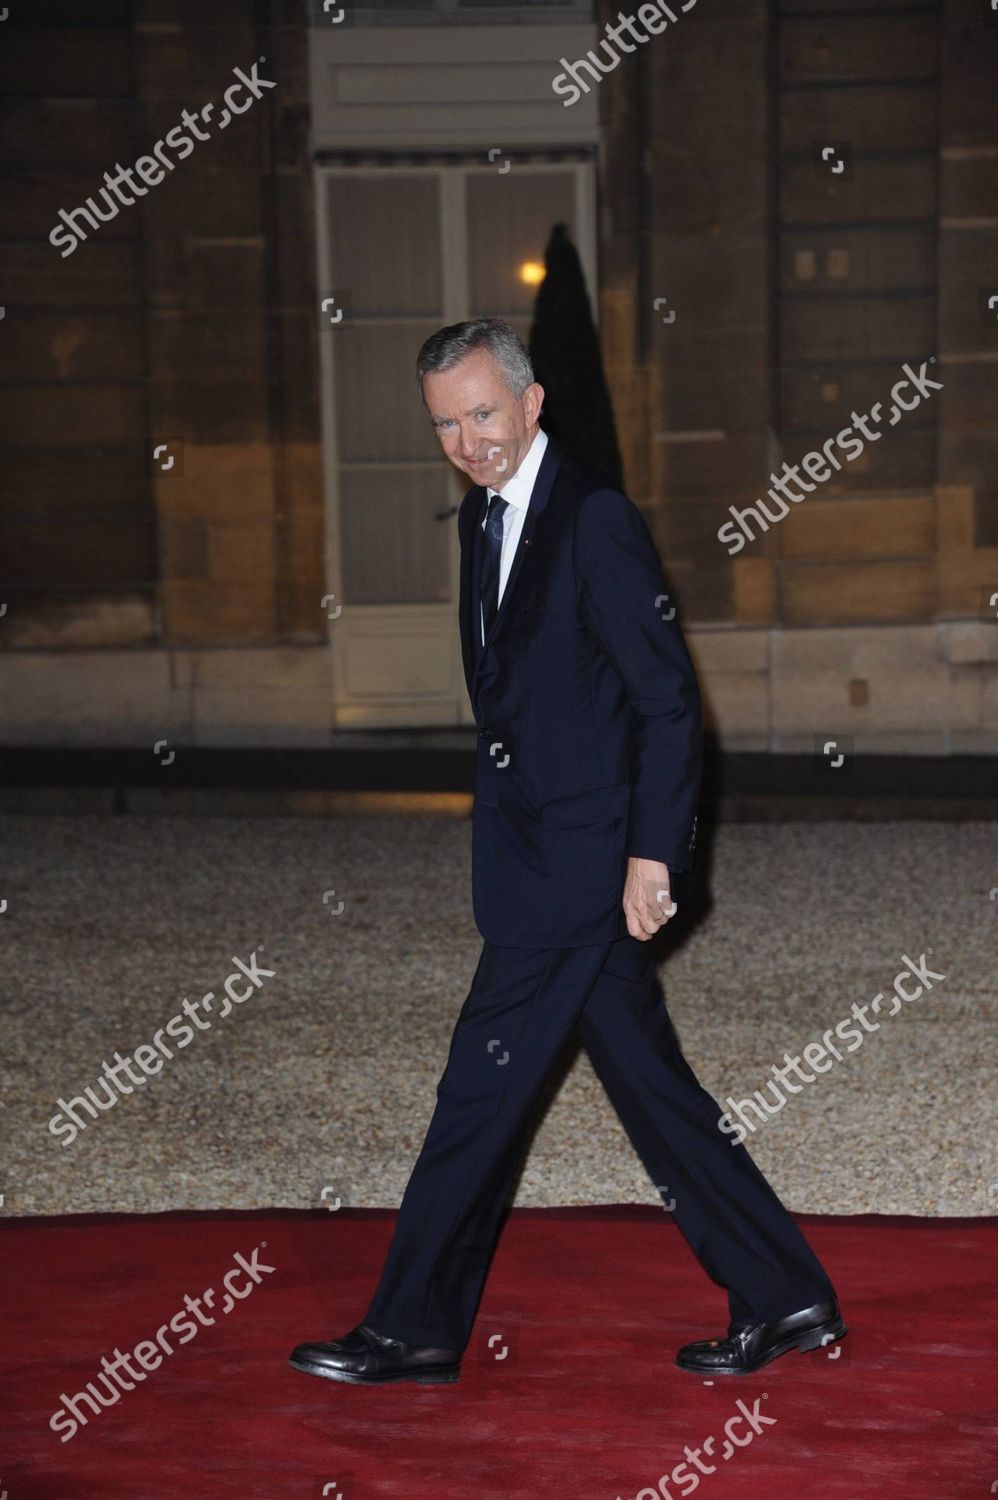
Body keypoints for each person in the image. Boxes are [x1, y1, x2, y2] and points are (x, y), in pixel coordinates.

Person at [289, 318, 845, 1386]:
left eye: (483, 413)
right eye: (446, 424)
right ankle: (784, 1296)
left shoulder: (593, 518)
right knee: (653, 1093)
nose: (468, 440)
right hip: (533, 855)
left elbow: (667, 702)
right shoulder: (479, 522)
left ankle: (410, 1327)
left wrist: (652, 856)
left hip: (580, 868)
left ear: (532, 401)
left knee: (475, 1096)